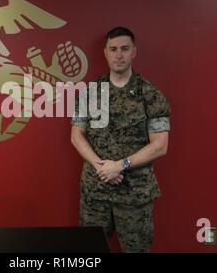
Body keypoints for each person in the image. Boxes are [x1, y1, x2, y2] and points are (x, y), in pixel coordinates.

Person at [70, 26, 171, 253]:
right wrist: (100, 166)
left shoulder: (151, 95)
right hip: (96, 191)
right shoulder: (90, 91)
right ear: (105, 52)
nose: (119, 55)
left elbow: (160, 145)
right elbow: (76, 135)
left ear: (134, 51)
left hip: (134, 194)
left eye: (124, 49)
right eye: (113, 49)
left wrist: (119, 165)